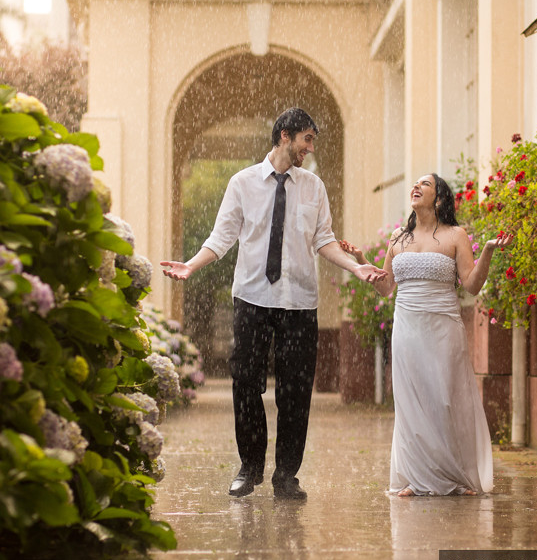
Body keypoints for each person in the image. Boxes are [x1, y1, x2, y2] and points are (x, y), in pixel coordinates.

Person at [161, 108, 386, 500]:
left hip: (299, 303)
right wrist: (191, 266)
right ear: (285, 136)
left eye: (312, 141)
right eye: (307, 140)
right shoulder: (242, 183)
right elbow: (222, 237)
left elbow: (324, 240)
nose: (309, 148)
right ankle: (249, 468)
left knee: (295, 391)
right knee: (245, 383)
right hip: (252, 299)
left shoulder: (313, 187)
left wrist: (356, 267)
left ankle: (286, 475)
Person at [340, 173, 512, 497]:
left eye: (425, 184)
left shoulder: (456, 235)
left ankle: (457, 476)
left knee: (445, 399)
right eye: (415, 184)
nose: (416, 187)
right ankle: (414, 478)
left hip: (443, 328)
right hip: (407, 328)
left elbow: (472, 285)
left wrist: (487, 250)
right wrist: (362, 261)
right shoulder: (398, 239)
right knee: (411, 402)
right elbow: (386, 287)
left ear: (440, 198)